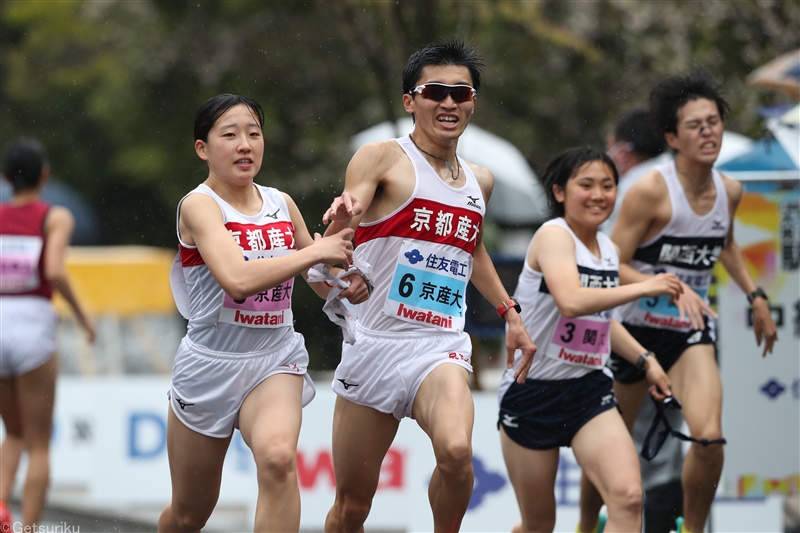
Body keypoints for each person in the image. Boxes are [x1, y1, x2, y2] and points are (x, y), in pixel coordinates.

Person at [321, 38, 537, 532]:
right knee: (353, 507)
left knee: (458, 452)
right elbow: (349, 210)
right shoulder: (381, 158)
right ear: (409, 101)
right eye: (435, 91)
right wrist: (344, 214)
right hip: (373, 344)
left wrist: (510, 312)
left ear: (473, 103)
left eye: (461, 94)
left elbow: (472, 249)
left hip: (437, 344)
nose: (448, 103)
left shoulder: (480, 181)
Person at [158, 94, 369, 533]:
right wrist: (318, 252)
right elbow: (237, 279)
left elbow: (316, 273)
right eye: (230, 135)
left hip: (275, 358)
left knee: (277, 459)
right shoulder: (198, 206)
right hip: (209, 366)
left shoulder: (280, 201)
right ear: (203, 148)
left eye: (254, 134)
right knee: (188, 515)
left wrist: (344, 277)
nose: (245, 145)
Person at [580, 69, 779, 533]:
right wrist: (666, 283)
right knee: (611, 446)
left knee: (709, 440)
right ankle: (586, 524)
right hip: (632, 332)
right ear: (672, 136)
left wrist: (756, 294)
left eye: (713, 121)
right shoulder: (650, 189)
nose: (708, 131)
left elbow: (723, 243)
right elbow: (612, 262)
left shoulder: (730, 191)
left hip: (689, 334)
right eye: (695, 124)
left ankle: (691, 528)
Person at [497, 146, 682, 533]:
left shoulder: (608, 250)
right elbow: (572, 301)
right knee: (538, 526)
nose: (599, 195)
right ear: (560, 191)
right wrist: (646, 286)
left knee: (629, 498)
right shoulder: (553, 235)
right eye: (587, 185)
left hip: (588, 392)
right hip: (530, 394)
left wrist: (647, 361)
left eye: (607, 185)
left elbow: (602, 320)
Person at [0, 139, 96, 527]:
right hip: (34, 325)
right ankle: (28, 528)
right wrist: (83, 316)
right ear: (44, 175)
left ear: (6, 178)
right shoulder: (55, 216)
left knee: (14, 433)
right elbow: (54, 270)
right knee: (39, 445)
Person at [601, 108, 672, 233]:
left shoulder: (627, 193)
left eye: (609, 149)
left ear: (622, 152)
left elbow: (610, 248)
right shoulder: (682, 176)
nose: (608, 156)